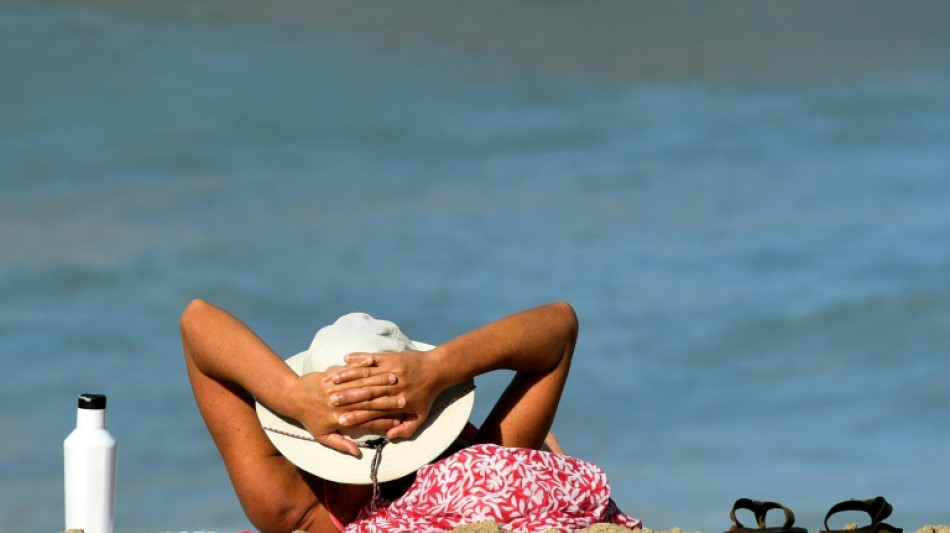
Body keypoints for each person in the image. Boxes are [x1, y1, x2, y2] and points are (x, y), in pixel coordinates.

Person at [181, 299, 639, 533]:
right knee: (542, 449)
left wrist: (291, 394)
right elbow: (559, 325)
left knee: (541, 445)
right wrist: (439, 368)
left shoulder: (296, 509)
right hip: (478, 452)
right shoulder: (477, 464)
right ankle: (548, 450)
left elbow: (197, 320)